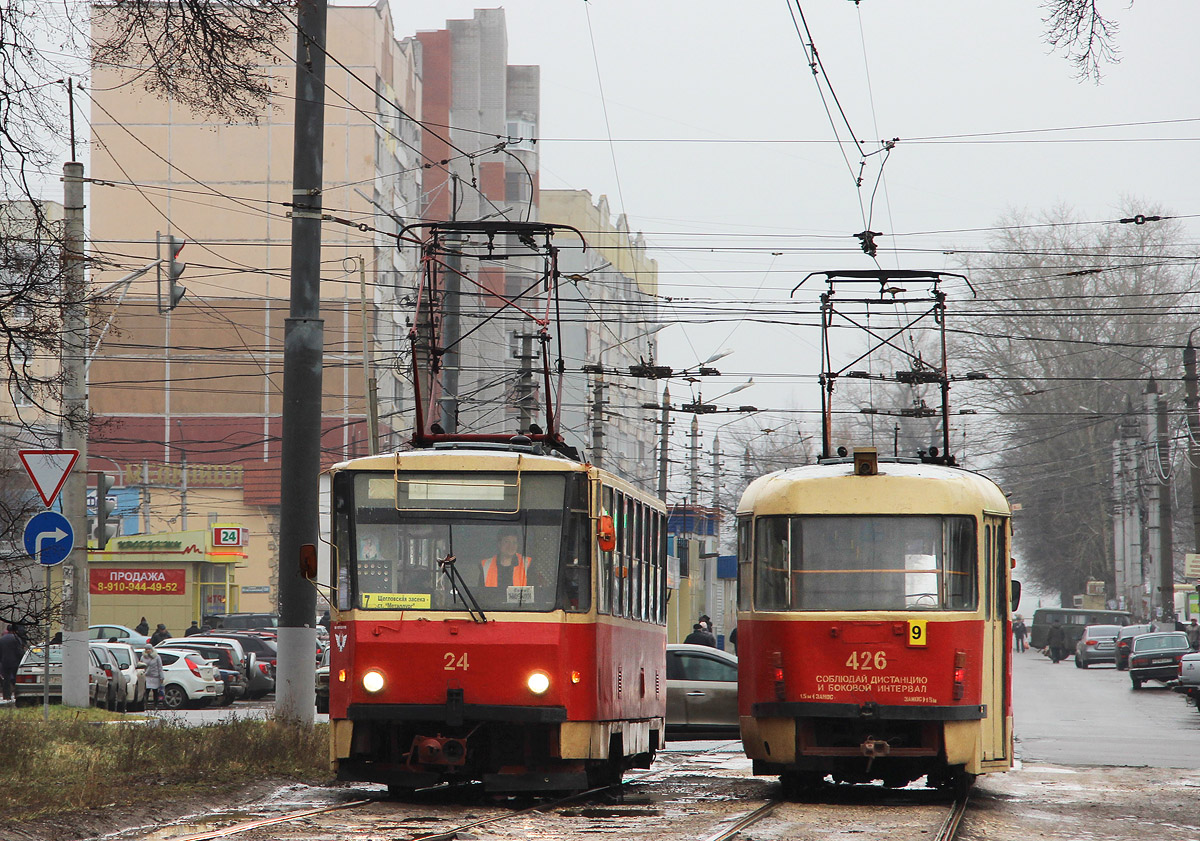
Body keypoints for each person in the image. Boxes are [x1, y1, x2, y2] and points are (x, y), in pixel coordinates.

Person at [0, 624, 24, 702]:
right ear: (16, 630)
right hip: (15, 662)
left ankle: (6, 696)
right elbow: (19, 651)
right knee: (16, 680)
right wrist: (22, 659)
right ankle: (17, 694)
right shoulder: (17, 638)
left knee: (6, 680)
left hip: (4, 662)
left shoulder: (2, 639)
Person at [141, 645, 164, 710]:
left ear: (152, 649)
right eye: (146, 649)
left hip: (155, 677)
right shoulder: (143, 657)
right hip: (147, 676)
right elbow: (141, 666)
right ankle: (145, 705)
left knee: (155, 691)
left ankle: (155, 705)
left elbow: (160, 667)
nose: (148, 650)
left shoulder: (157, 657)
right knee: (146, 691)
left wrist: (161, 677)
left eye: (149, 649)